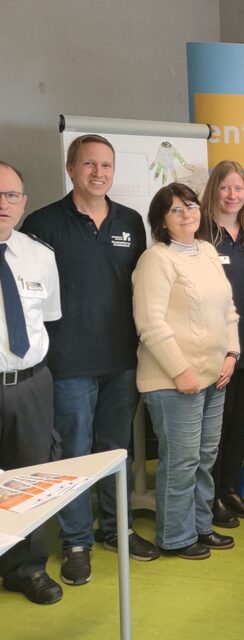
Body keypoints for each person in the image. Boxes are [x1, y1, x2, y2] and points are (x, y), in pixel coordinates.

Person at [21, 135, 157, 588]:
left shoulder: (131, 222)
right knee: (75, 454)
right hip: (68, 364)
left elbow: (144, 287)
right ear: (70, 167)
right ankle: (76, 542)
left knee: (116, 450)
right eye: (89, 165)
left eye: (106, 165)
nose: (98, 173)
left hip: (122, 360)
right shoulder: (42, 223)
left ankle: (117, 530)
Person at [132, 183, 239, 559]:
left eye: (190, 206)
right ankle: (175, 537)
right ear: (161, 220)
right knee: (181, 460)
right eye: (175, 209)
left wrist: (231, 353)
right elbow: (150, 323)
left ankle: (200, 526)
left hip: (215, 375)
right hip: (173, 381)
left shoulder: (208, 251)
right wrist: (180, 372)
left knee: (205, 457)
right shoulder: (156, 259)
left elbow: (228, 310)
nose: (187, 214)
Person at [0, 161, 62, 604]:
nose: (3, 204)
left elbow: (49, 319)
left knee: (30, 480)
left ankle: (27, 568)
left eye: (12, 195)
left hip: (30, 384)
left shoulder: (39, 254)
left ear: (23, 202)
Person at [199, 161, 244, 528]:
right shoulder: (200, 233)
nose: (232, 195)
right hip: (218, 347)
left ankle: (229, 490)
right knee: (217, 428)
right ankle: (209, 500)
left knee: (242, 423)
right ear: (214, 191)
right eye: (225, 188)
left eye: (238, 188)